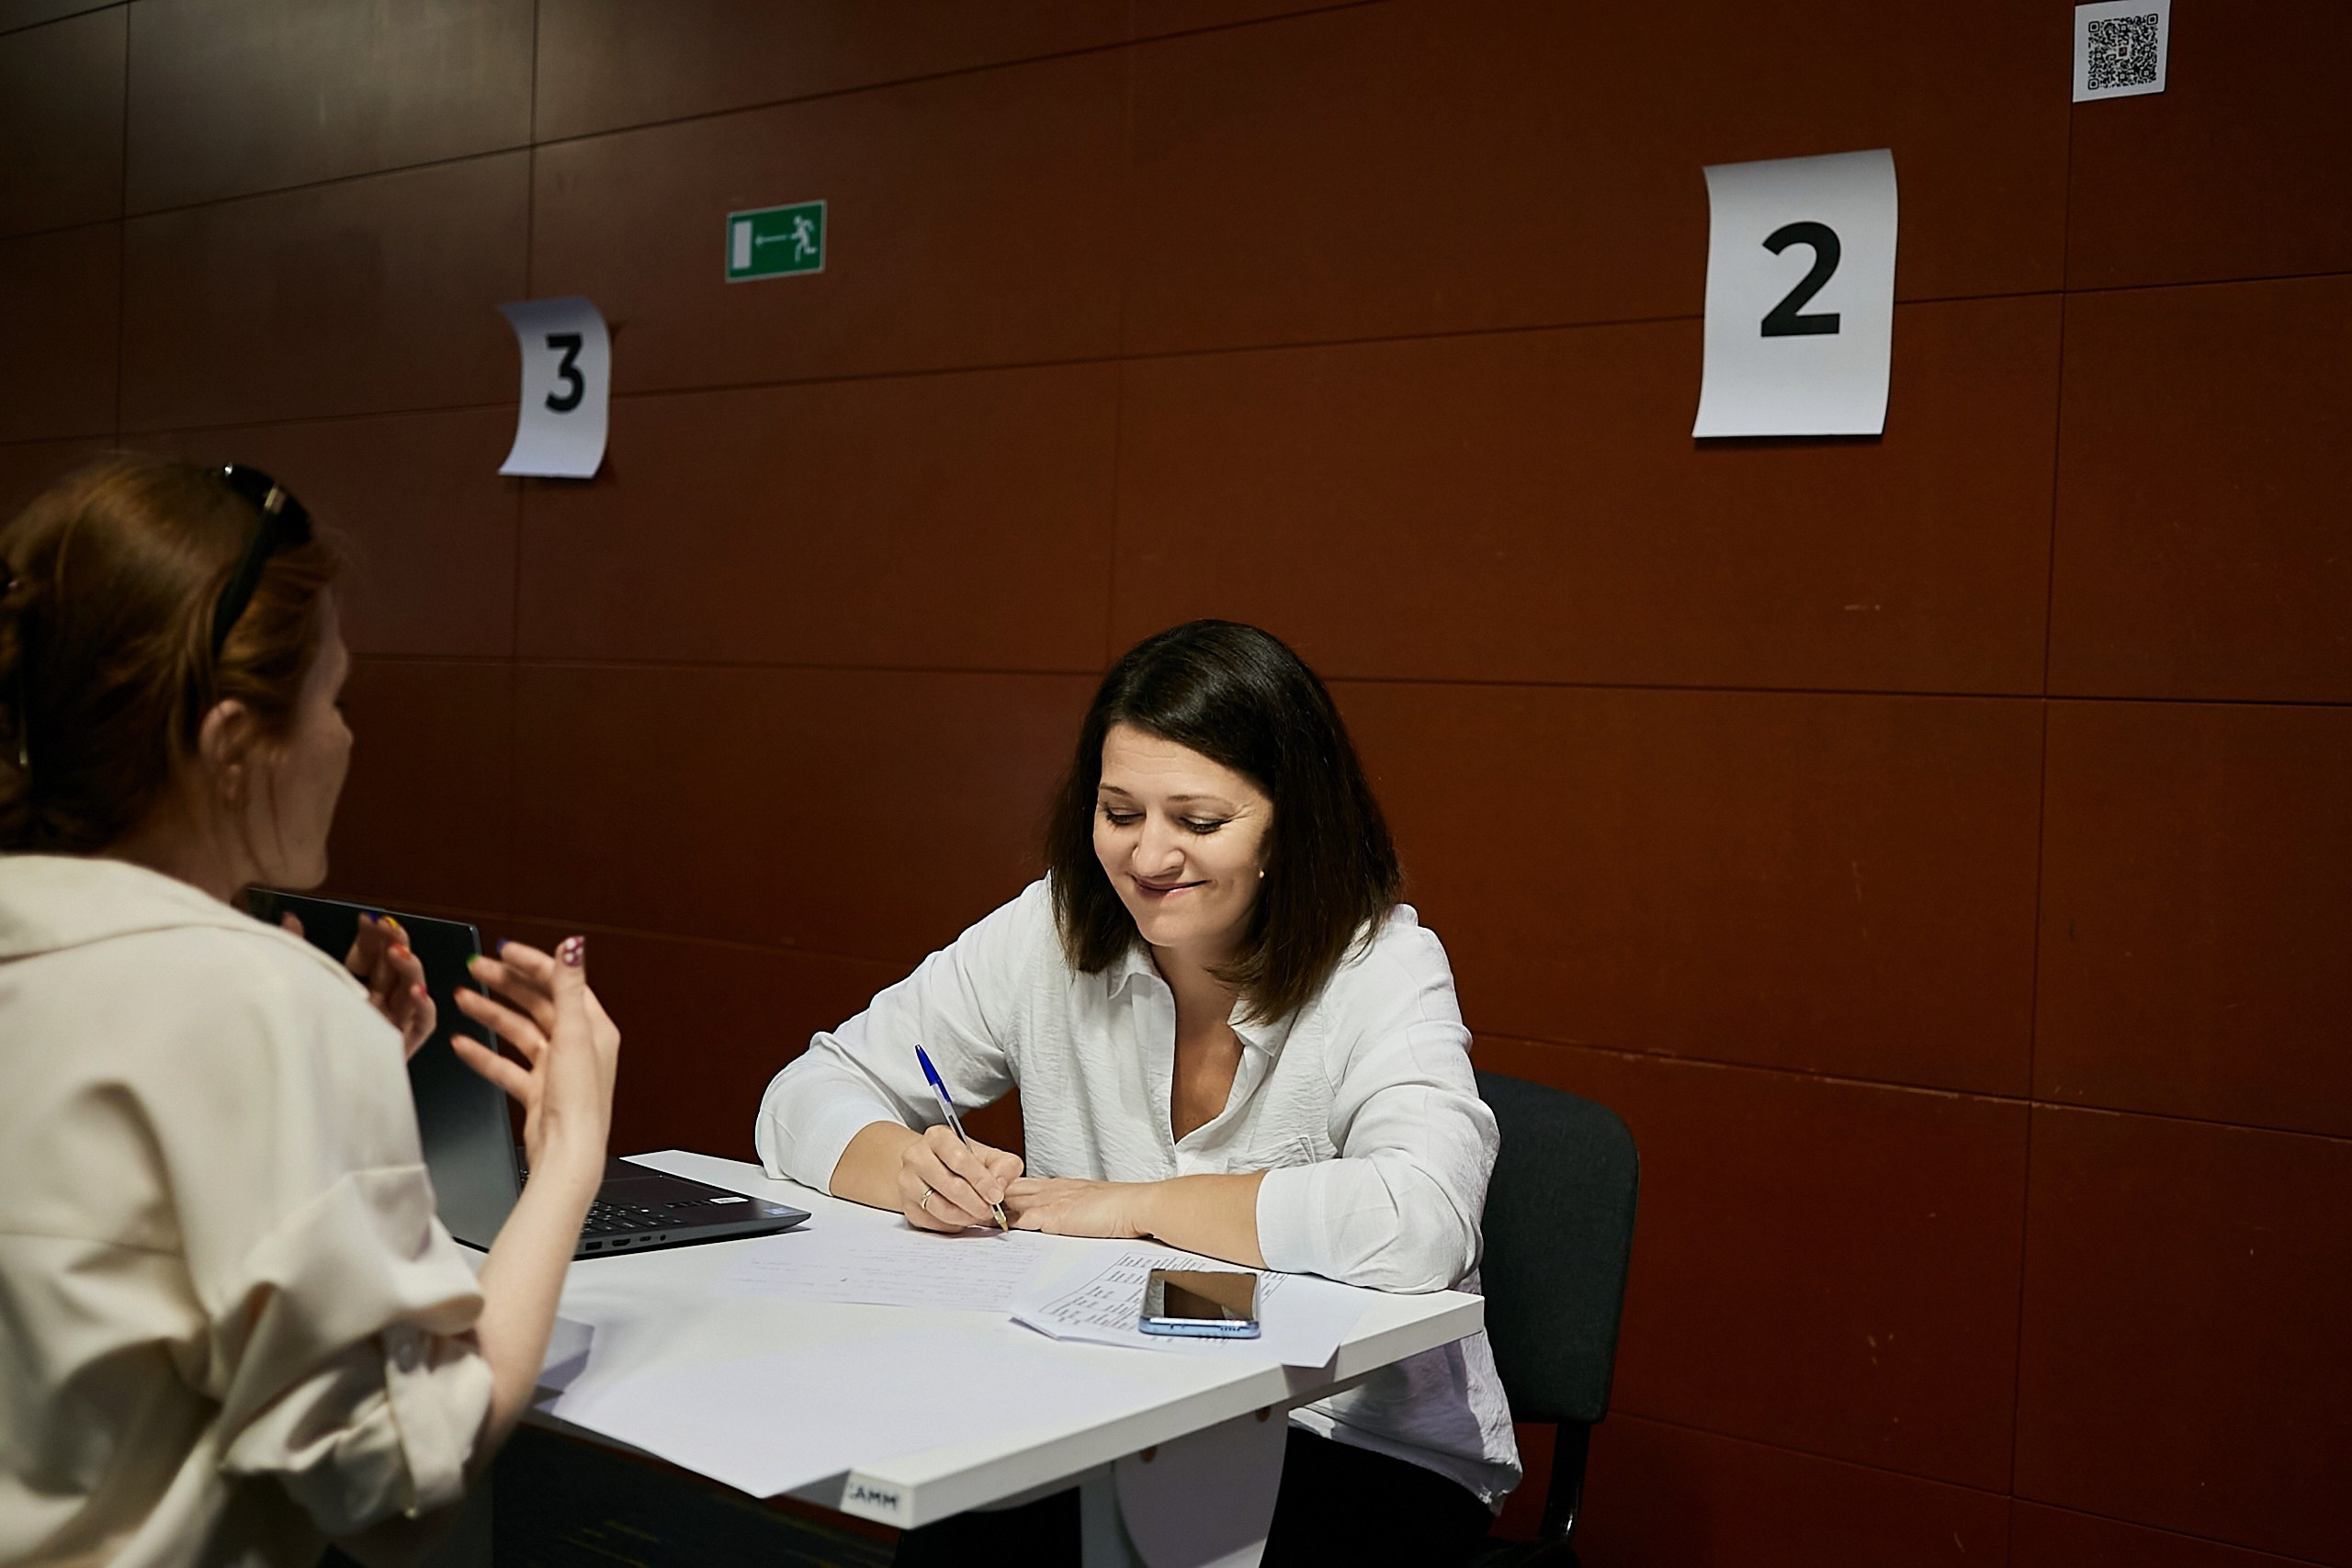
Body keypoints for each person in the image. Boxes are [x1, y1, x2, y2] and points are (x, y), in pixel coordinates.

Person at [757, 620, 1520, 1565]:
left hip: (1343, 1431)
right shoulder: (1053, 927)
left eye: (1197, 823)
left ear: (1292, 821)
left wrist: (1129, 1209)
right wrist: (908, 1167)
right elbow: (805, 1092)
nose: (1148, 858)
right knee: (952, 1534)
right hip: (1097, 1395)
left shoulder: (1383, 965)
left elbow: (1423, 1222)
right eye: (1120, 814)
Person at [0, 457, 620, 1566]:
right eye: (334, 699)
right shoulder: (265, 1008)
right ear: (235, 746)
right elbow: (395, 1492)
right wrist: (569, 1150)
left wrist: (324, 1105)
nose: (347, 739)